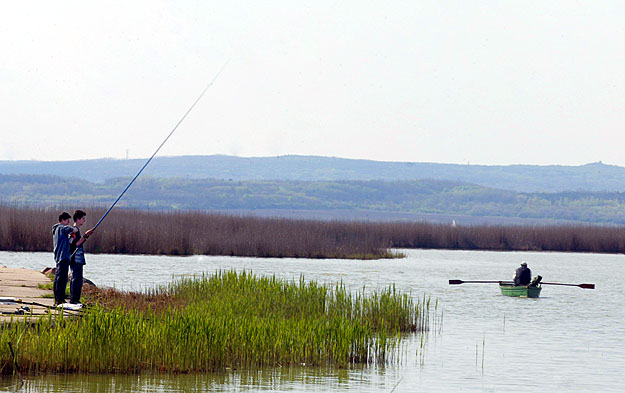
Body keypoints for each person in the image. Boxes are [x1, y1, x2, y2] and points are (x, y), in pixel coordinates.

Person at [69, 210, 94, 305]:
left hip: (78, 259)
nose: (84, 221)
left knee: (78, 279)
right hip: (75, 259)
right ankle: (73, 300)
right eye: (83, 219)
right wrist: (86, 235)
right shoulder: (73, 230)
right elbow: (75, 243)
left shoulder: (76, 230)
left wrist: (85, 236)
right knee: (76, 279)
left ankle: (76, 299)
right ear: (78, 219)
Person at [52, 212, 78, 305]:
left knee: (59, 278)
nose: (68, 222)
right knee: (61, 279)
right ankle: (59, 299)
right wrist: (75, 228)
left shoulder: (59, 230)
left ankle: (59, 298)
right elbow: (69, 228)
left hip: (62, 256)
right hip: (62, 257)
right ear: (62, 220)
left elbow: (69, 240)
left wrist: (71, 237)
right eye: (67, 220)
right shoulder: (60, 228)